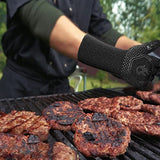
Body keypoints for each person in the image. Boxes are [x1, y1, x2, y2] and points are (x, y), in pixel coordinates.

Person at [0, 0, 159, 99]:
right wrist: (118, 61)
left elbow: (106, 33)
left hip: (61, 90)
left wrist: (152, 59)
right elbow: (40, 17)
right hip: (20, 87)